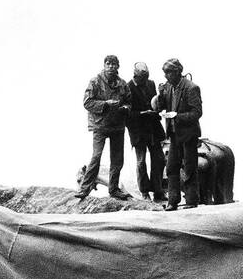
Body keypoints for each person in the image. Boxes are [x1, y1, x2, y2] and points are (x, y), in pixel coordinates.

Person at [76, 54, 131, 199]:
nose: (111, 67)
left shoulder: (123, 84)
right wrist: (105, 104)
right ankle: (84, 188)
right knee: (96, 157)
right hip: (100, 125)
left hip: (117, 126)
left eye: (114, 64)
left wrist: (125, 108)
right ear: (104, 65)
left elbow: (129, 102)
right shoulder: (95, 82)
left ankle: (114, 189)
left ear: (118, 66)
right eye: (108, 64)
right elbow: (87, 103)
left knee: (117, 159)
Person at [155, 58, 202, 210]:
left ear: (177, 72)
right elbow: (160, 107)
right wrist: (160, 95)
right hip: (174, 135)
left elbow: (197, 113)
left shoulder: (191, 88)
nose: (166, 76)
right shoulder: (168, 87)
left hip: (188, 134)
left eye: (168, 72)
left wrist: (177, 116)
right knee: (171, 168)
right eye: (165, 73)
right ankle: (173, 200)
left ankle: (191, 201)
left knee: (189, 167)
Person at [126, 62, 165, 201]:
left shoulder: (151, 84)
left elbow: (155, 103)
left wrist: (159, 100)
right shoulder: (128, 87)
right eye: (142, 77)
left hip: (153, 128)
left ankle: (158, 191)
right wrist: (142, 113)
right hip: (138, 130)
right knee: (141, 162)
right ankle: (144, 191)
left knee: (159, 159)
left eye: (146, 77)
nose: (144, 80)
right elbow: (127, 113)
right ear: (135, 75)